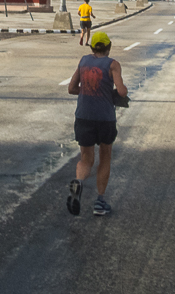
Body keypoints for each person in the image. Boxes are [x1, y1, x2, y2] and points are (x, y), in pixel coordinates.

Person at [67, 31, 128, 217]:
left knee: (86, 158)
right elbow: (122, 91)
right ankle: (100, 203)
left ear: (92, 47)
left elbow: (71, 89)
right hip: (105, 118)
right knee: (105, 156)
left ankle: (79, 181)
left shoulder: (83, 61)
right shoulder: (113, 65)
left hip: (84, 116)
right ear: (108, 47)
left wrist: (87, 90)